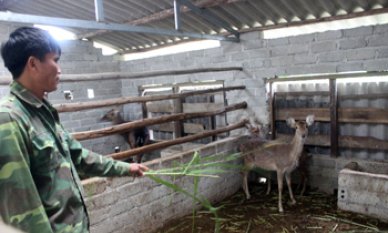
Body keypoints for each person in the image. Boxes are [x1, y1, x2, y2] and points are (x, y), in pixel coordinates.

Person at [0, 27, 149, 233]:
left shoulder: (44, 112)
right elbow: (22, 210)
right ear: (33, 64)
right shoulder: (9, 119)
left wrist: (126, 168)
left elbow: (79, 156)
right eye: (55, 60)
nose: (59, 69)